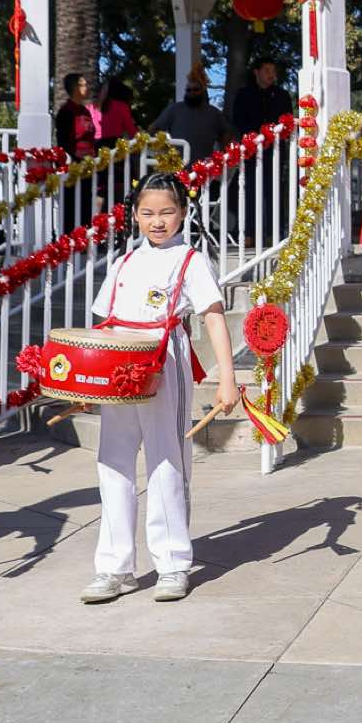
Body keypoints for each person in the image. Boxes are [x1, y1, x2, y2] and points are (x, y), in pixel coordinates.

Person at [80, 173, 239, 604]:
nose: (157, 221)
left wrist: (228, 379)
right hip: (120, 368)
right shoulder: (124, 262)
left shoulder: (191, 260)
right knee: (112, 461)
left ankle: (172, 564)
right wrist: (91, 379)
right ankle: (114, 568)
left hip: (164, 361)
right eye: (148, 212)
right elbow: (105, 324)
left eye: (167, 212)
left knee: (167, 459)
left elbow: (213, 317)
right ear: (134, 215)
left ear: (183, 213)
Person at [231, 58, 293, 247]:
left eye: (273, 71)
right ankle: (249, 233)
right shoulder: (244, 95)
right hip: (252, 151)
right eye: (266, 70)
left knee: (274, 191)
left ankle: (275, 233)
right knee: (250, 191)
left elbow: (287, 121)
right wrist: (254, 136)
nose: (271, 75)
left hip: (275, 151)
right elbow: (238, 120)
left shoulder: (281, 95)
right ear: (256, 72)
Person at [151, 69, 232, 167]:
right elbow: (154, 129)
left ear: (202, 91)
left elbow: (226, 132)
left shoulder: (214, 113)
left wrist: (221, 152)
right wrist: (164, 148)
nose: (192, 92)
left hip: (204, 167)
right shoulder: (174, 109)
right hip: (178, 166)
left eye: (195, 89)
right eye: (188, 90)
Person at [55, 72, 96, 161]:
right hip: (75, 163)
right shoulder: (65, 112)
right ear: (75, 88)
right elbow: (62, 142)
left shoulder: (86, 111)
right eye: (83, 85)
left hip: (91, 161)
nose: (87, 88)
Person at [93, 77, 138, 148]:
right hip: (113, 147)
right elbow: (132, 132)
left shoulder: (96, 108)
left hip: (97, 146)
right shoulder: (121, 106)